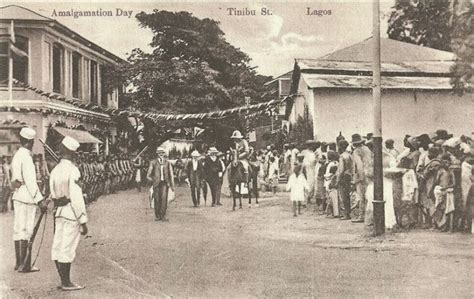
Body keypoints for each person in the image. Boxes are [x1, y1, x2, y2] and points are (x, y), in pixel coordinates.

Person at [50, 136, 87, 291]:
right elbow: (76, 197)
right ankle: (67, 282)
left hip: (58, 212)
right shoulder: (73, 170)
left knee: (58, 245)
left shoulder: (55, 170)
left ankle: (62, 279)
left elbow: (52, 194)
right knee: (67, 247)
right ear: (72, 153)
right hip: (71, 212)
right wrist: (83, 220)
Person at [11, 127, 47, 273]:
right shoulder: (26, 157)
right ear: (30, 142)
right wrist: (40, 200)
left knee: (18, 229)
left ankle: (19, 263)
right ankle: (25, 265)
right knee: (27, 230)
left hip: (18, 195)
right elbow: (31, 182)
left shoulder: (17, 155)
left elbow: (15, 180)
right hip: (27, 197)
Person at [147, 147, 174, 221]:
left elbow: (171, 175)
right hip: (156, 183)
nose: (161, 154)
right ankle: (157, 215)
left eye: (162, 153)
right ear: (157, 154)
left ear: (164, 154)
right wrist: (153, 181)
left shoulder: (167, 163)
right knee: (157, 199)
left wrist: (172, 185)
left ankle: (163, 215)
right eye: (159, 153)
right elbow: (148, 175)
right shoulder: (153, 162)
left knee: (164, 199)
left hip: (165, 183)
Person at [351, 134, 373, 223]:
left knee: (361, 197)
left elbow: (359, 165)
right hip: (369, 173)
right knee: (368, 196)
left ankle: (362, 216)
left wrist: (360, 177)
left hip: (361, 175)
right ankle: (369, 215)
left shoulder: (356, 152)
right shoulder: (367, 149)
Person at [336, 140, 352, 220]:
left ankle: (347, 213)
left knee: (344, 195)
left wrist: (338, 179)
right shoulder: (349, 155)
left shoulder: (342, 156)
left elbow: (341, 169)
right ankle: (347, 212)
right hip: (349, 176)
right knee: (347, 195)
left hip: (344, 177)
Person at [301, 140, 317, 205]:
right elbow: (303, 162)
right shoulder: (304, 152)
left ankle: (309, 198)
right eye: (311, 145)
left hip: (313, 170)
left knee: (312, 184)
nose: (312, 146)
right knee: (307, 184)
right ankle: (305, 200)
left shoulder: (314, 153)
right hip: (307, 170)